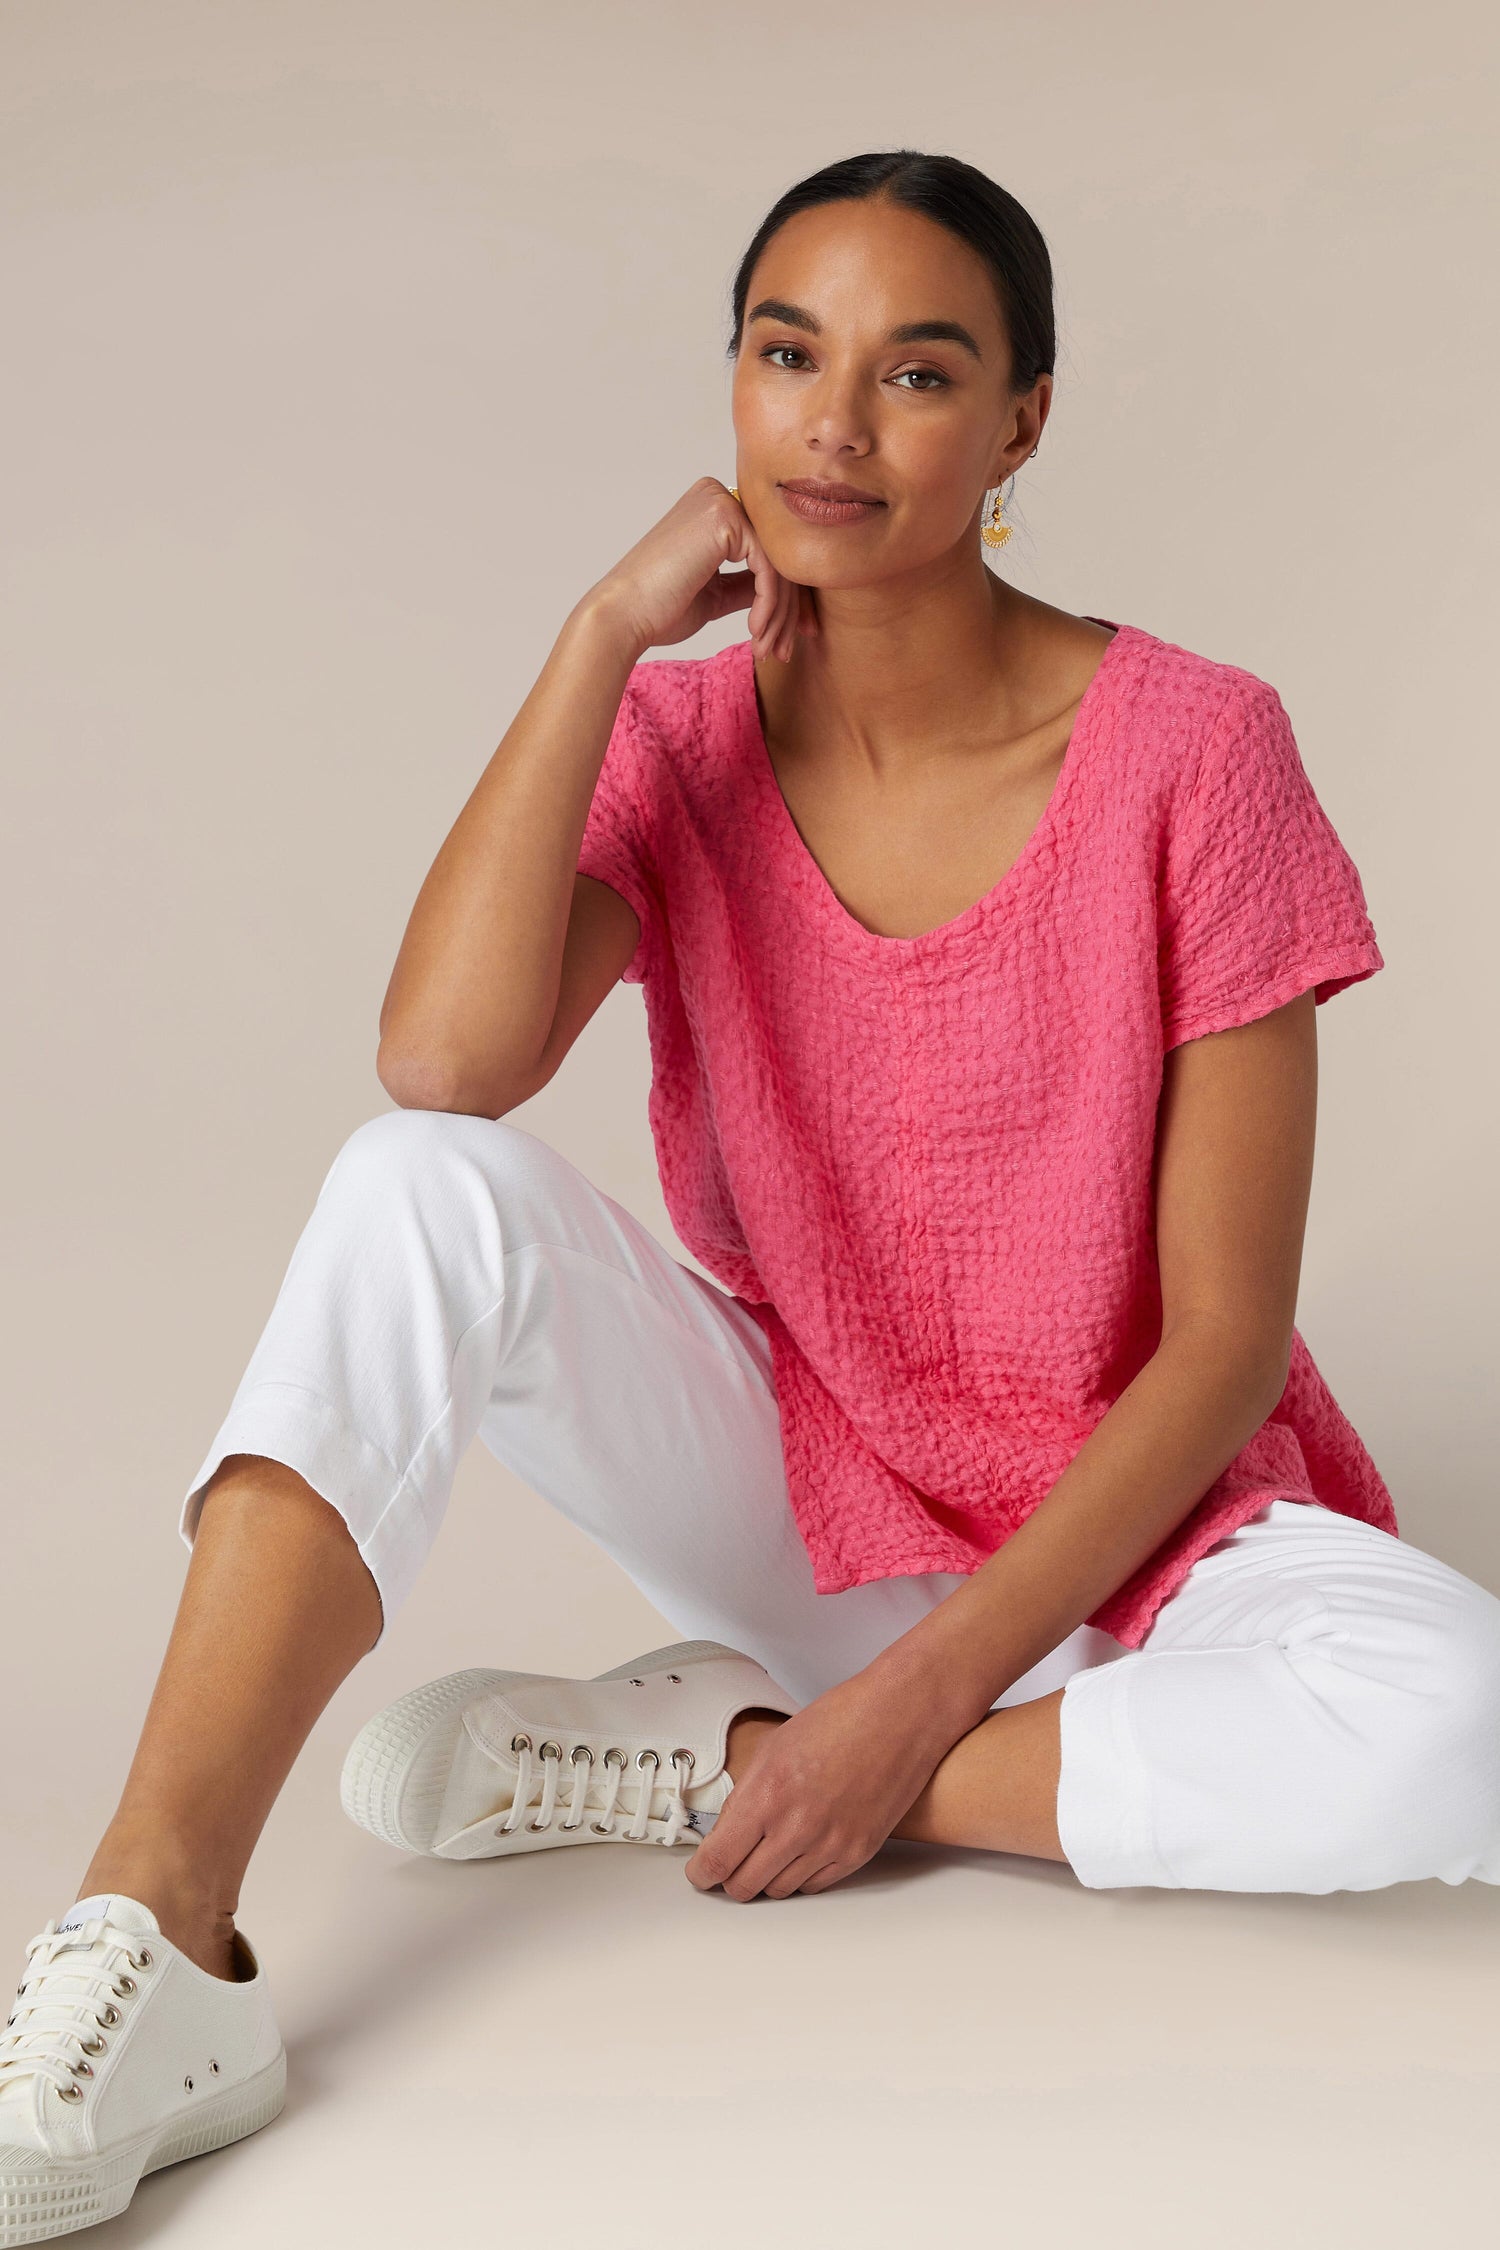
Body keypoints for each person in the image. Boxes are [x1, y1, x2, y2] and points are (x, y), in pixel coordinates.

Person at [4, 146, 1498, 2244]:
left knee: (1464, 1728)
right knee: (416, 1187)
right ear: (731, 385)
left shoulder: (1197, 750)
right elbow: (446, 1067)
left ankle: (728, 1753)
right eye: (789, 354)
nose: (836, 421)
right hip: (812, 1491)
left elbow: (1226, 1337)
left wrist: (892, 1730)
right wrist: (598, 639)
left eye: (918, 371)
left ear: (1022, 423)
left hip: (1148, 1549)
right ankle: (161, 1937)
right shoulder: (686, 740)